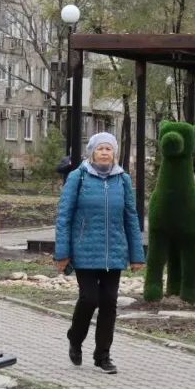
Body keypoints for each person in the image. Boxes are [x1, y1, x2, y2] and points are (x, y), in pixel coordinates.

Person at [53, 132, 145, 374]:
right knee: (89, 299)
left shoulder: (122, 179)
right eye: (100, 149)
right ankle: (75, 338)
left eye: (109, 149)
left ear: (114, 153)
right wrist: (62, 253)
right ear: (91, 152)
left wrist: (137, 255)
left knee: (109, 303)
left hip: (114, 252)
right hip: (84, 251)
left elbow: (130, 217)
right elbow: (64, 216)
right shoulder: (78, 177)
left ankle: (102, 355)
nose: (104, 152)